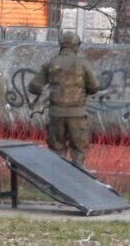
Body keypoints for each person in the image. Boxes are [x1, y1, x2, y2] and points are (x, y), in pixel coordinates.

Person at [27, 31, 100, 167]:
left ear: (61, 46)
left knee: (56, 150)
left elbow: (33, 87)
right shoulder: (82, 64)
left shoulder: (50, 64)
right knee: (79, 150)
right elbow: (95, 87)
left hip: (56, 114)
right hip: (77, 115)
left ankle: (57, 180)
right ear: (76, 46)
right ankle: (77, 180)